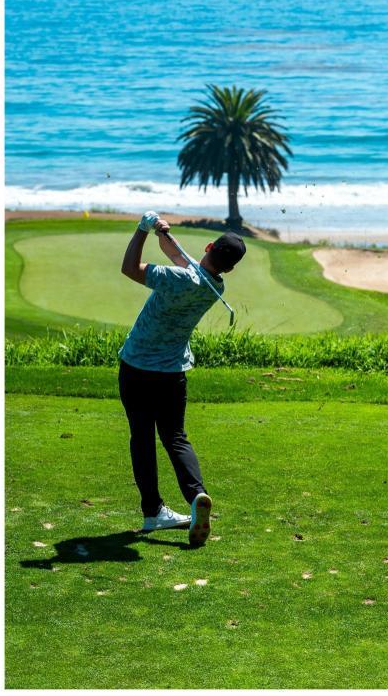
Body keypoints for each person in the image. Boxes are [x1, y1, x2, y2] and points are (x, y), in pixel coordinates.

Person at [118, 211, 246, 546]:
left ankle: (153, 511)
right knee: (175, 437)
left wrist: (142, 230)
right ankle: (197, 495)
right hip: (172, 373)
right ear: (230, 267)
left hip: (136, 368)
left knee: (142, 437)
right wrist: (163, 232)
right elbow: (179, 256)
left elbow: (130, 268)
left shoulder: (174, 279)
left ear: (207, 246)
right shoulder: (215, 286)